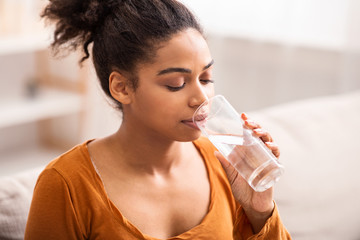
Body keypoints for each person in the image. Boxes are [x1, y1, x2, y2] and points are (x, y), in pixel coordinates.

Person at [25, 0, 291, 239]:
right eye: (176, 83)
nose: (201, 98)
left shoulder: (226, 166)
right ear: (122, 88)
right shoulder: (66, 184)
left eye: (206, 79)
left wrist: (260, 211)